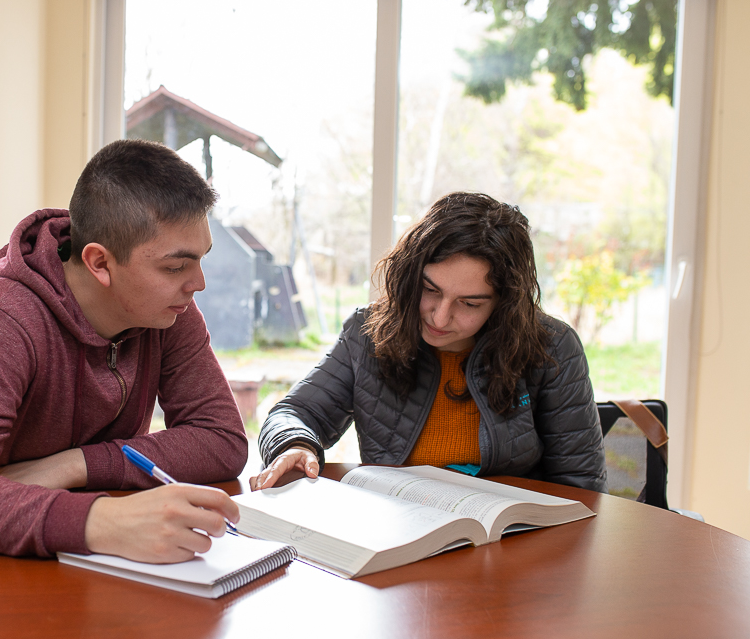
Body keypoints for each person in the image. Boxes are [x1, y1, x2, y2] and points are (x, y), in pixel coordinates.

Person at [0, 140, 247, 639]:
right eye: (176, 266)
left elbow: (222, 440)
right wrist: (104, 522)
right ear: (99, 262)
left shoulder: (168, 314)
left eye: (201, 260)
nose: (197, 284)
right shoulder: (1, 318)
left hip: (62, 554)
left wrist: (73, 466)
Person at [250, 191, 606, 493]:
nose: (439, 317)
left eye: (469, 303)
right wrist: (294, 445)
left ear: (504, 303)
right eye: (430, 290)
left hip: (513, 546)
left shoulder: (552, 346)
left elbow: (581, 486)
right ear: (409, 277)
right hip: (399, 536)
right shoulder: (367, 332)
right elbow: (294, 413)